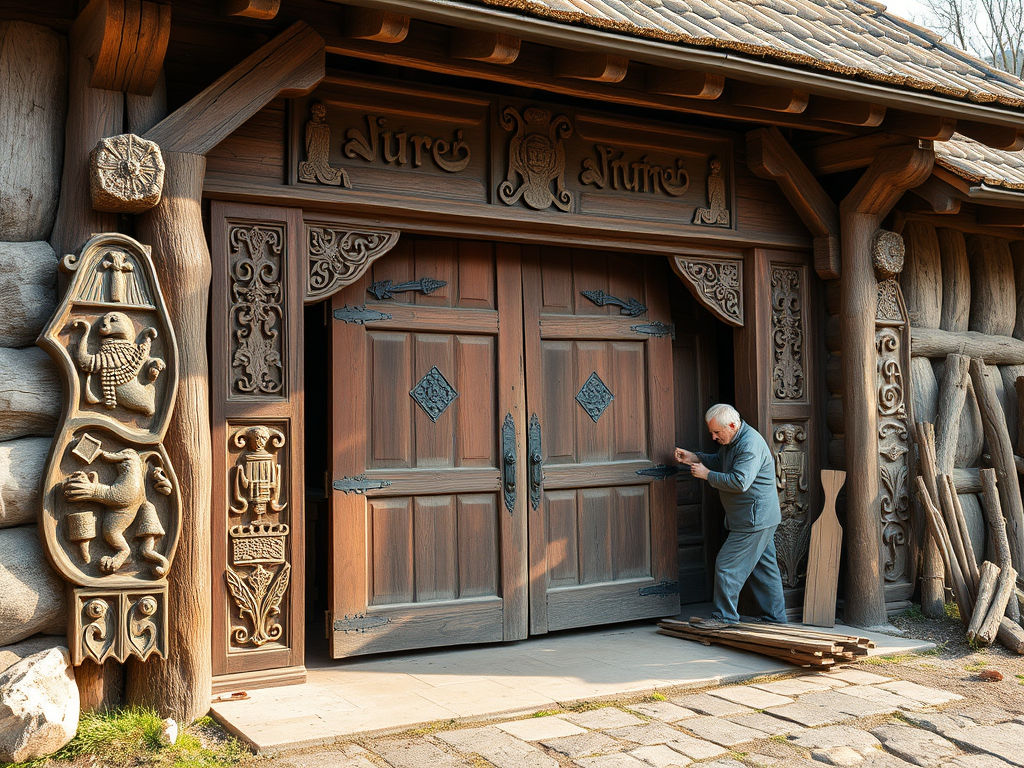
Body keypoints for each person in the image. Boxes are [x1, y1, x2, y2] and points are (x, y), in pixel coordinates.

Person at [675, 403, 787, 627]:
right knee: (765, 571)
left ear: (733, 425)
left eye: (717, 432)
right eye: (711, 432)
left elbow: (740, 481)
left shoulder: (749, 444)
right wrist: (694, 458)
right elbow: (720, 461)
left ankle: (725, 617)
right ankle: (776, 620)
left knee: (727, 565)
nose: (714, 437)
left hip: (754, 520)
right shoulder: (733, 440)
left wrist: (707, 475)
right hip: (755, 518)